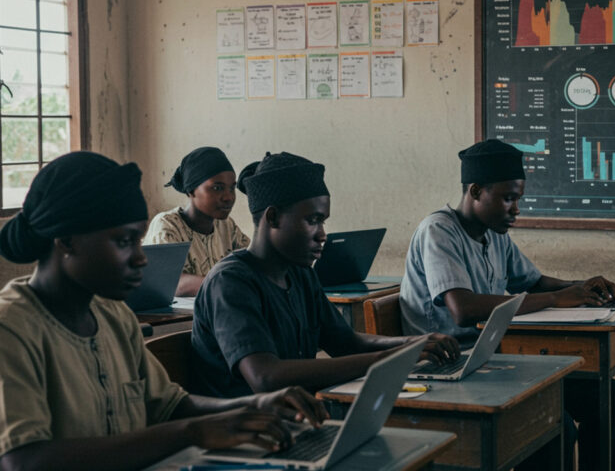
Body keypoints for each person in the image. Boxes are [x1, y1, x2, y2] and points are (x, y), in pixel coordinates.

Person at [0, 152, 327, 470]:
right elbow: (23, 460)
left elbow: (169, 405)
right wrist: (193, 433)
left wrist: (253, 404)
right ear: (67, 241)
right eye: (125, 241)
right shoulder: (12, 328)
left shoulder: (114, 316)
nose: (141, 258)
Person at [398, 139, 615, 470]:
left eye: (518, 199)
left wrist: (580, 287)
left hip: (492, 362)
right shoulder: (438, 230)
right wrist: (555, 298)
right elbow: (463, 309)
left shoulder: (495, 234)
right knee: (556, 423)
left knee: (611, 397)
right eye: (509, 199)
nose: (516, 209)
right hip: (449, 368)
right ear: (476, 192)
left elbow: (532, 281)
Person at [191, 152, 459, 398]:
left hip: (297, 418)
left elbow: (345, 342)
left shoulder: (299, 273)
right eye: (313, 220)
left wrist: (412, 343)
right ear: (272, 218)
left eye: (323, 221)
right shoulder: (231, 282)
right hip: (245, 433)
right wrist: (391, 358)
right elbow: (265, 377)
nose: (322, 234)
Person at [144, 146, 250, 296]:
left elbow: (250, 265)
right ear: (191, 190)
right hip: (176, 318)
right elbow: (172, 283)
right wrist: (227, 283)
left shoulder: (226, 226)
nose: (228, 197)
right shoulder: (167, 225)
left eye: (232, 188)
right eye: (217, 188)